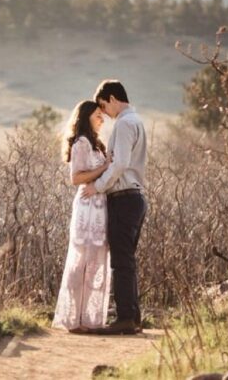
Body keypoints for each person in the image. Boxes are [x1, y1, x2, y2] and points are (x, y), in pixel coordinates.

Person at [82, 79, 147, 335]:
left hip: (124, 197)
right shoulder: (137, 121)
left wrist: (97, 187)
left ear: (111, 98)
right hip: (136, 197)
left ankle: (125, 318)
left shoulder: (124, 123)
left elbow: (119, 164)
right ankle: (133, 316)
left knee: (120, 261)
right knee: (127, 259)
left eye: (103, 106)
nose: (105, 114)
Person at [52, 100, 112, 332]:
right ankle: (72, 319)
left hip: (100, 206)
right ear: (86, 116)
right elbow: (76, 178)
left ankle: (89, 319)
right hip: (87, 207)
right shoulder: (81, 143)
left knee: (96, 263)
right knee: (81, 262)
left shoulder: (97, 144)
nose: (102, 118)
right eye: (98, 114)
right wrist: (105, 167)